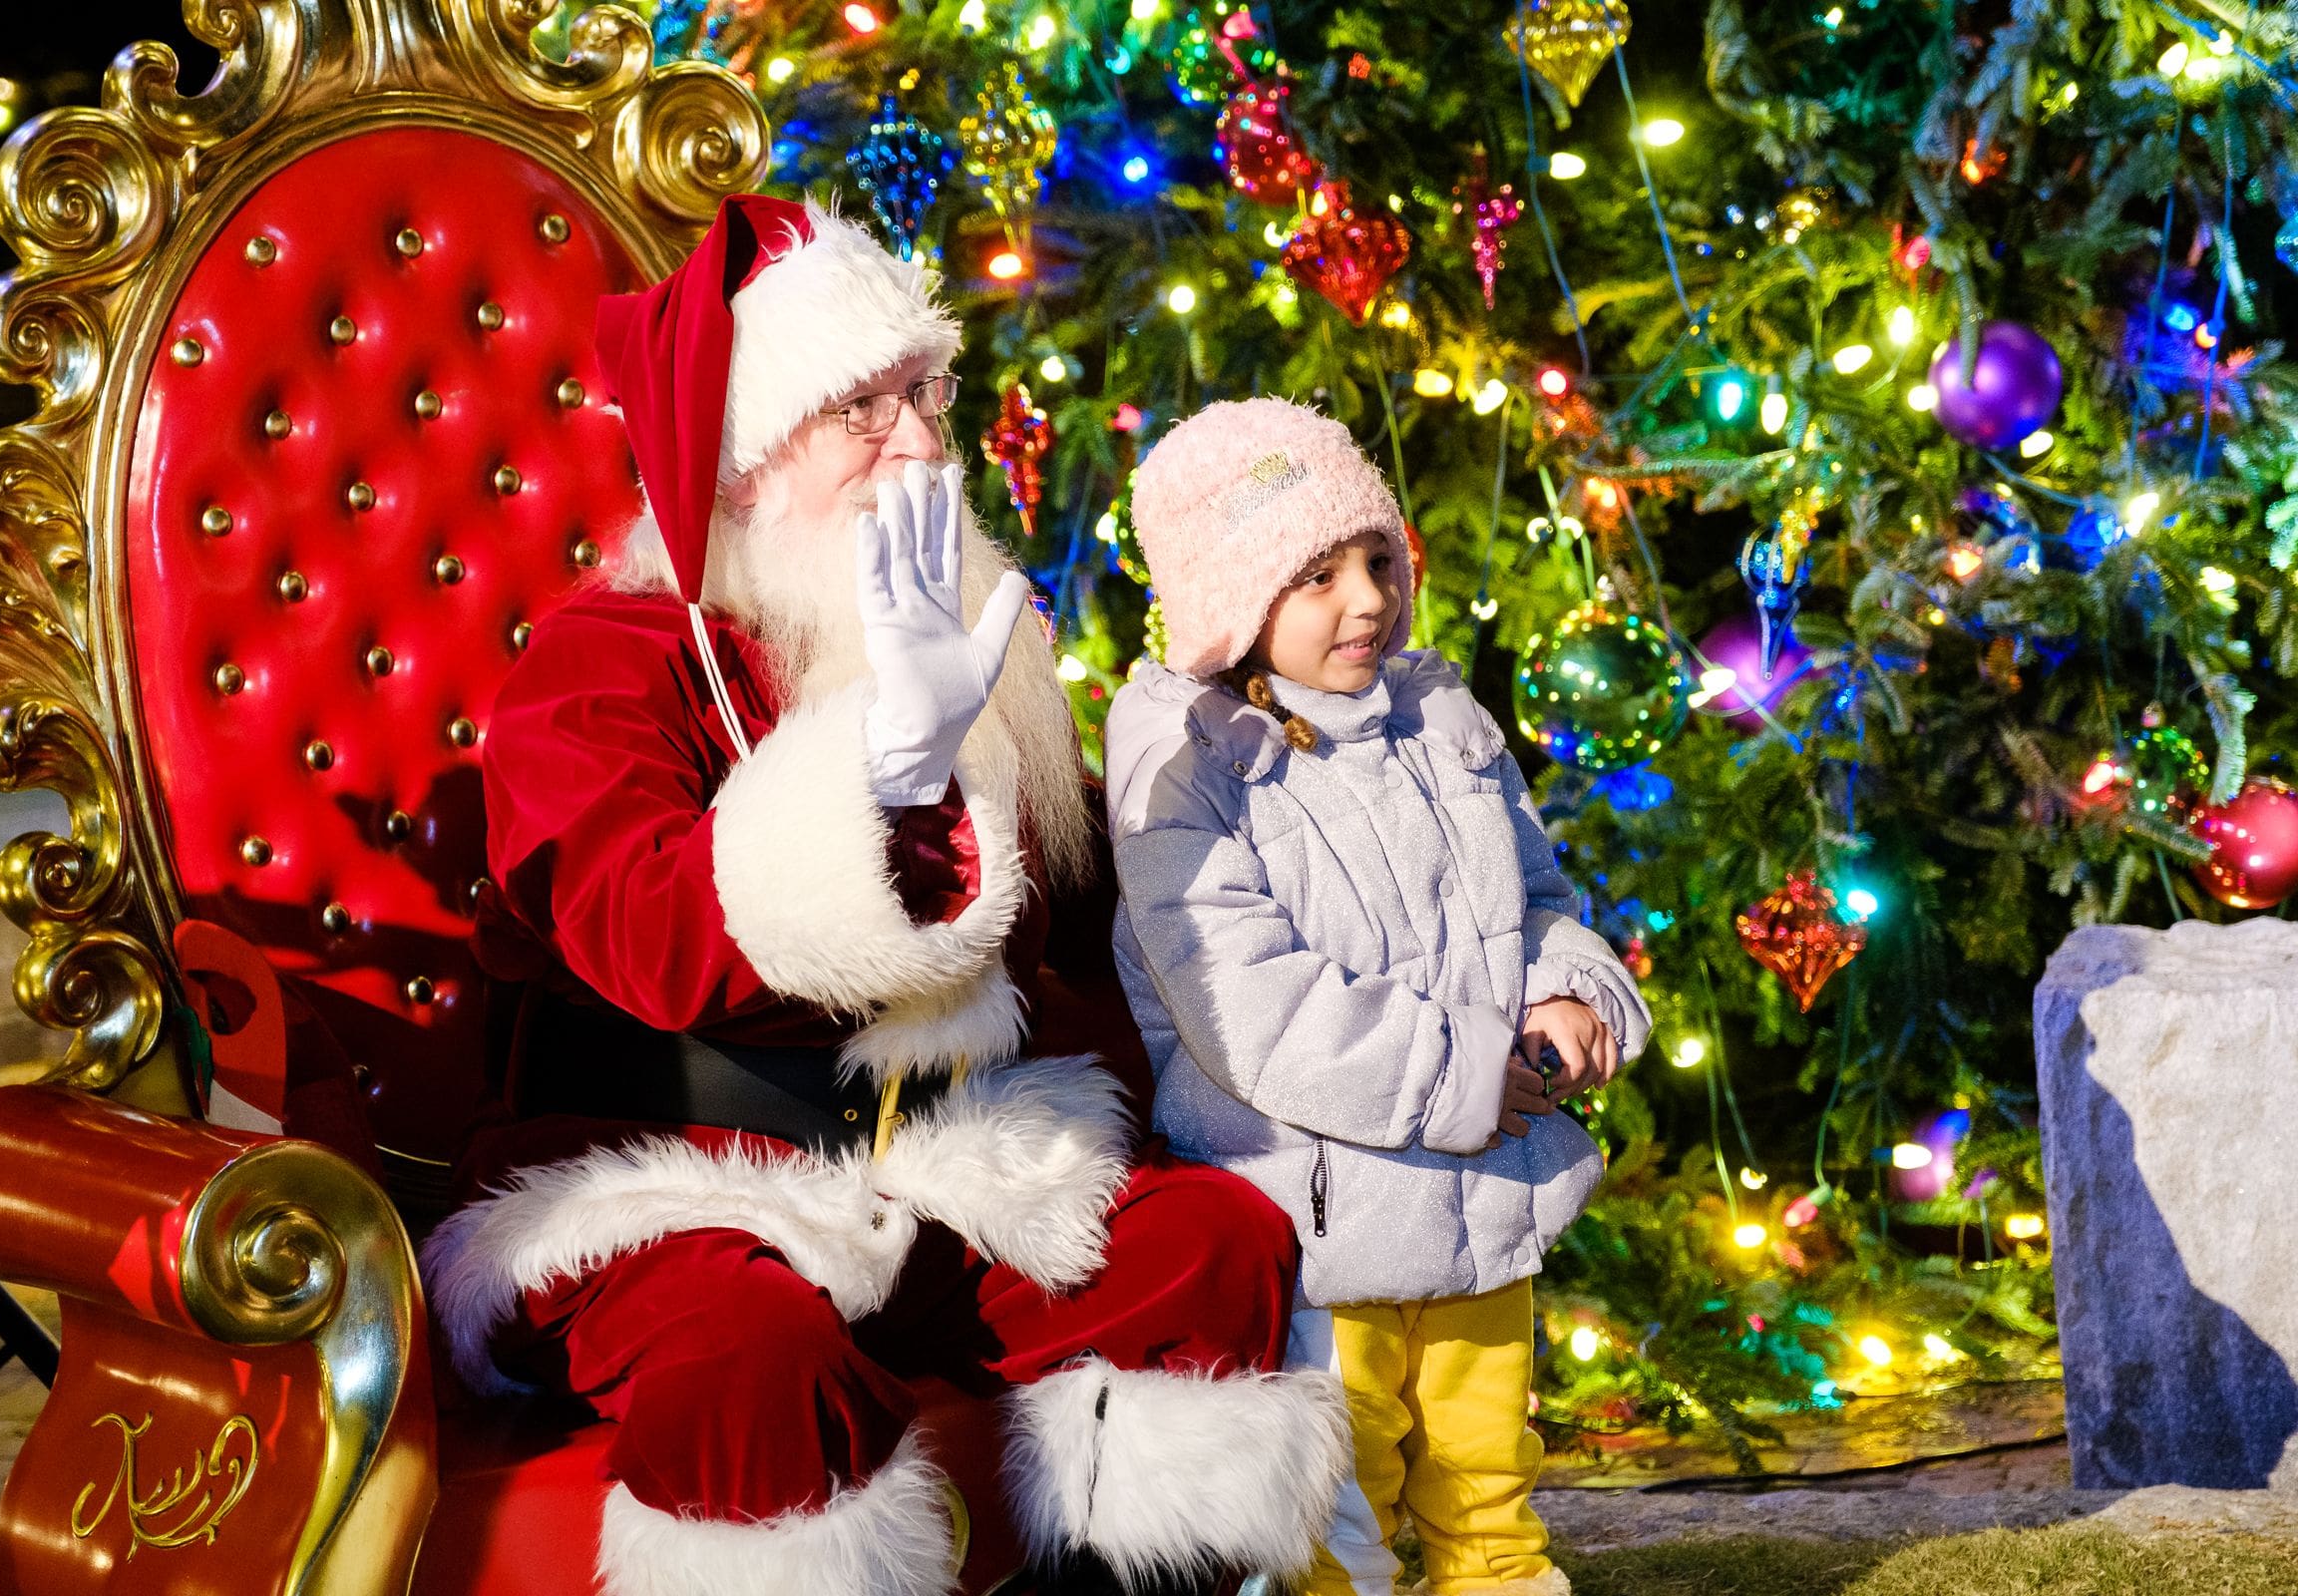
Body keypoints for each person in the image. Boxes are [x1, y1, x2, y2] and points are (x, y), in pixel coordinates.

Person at [422, 199, 1345, 1596]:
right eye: (864, 408)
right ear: (739, 468)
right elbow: (651, 943)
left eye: (928, 395)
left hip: (945, 1159)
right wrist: (881, 767)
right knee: (758, 1357)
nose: (921, 444)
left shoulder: (957, 646)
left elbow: (1070, 952)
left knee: (1213, 1246)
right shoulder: (600, 665)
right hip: (666, 1178)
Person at [1103, 398, 1653, 1596]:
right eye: (1314, 577)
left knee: (1485, 1468)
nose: (1365, 598)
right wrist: (1466, 1072)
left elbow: (1533, 891)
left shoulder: (1438, 719)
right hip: (1320, 1218)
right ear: (1231, 604)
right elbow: (1253, 1007)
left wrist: (1563, 985)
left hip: (1476, 1193)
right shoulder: (1184, 773)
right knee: (1344, 1506)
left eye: (1375, 560)